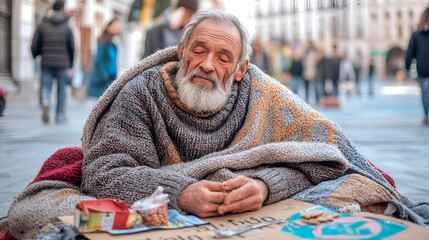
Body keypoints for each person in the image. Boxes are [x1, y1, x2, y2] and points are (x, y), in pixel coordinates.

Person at [8, 10, 429, 239]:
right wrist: (182, 192)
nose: (207, 65)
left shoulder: (267, 96)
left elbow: (326, 154)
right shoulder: (143, 94)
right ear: (181, 51)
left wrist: (265, 185)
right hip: (178, 206)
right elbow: (103, 171)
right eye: (199, 51)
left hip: (244, 213)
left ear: (242, 69)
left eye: (223, 57)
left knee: (360, 194)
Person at [31, 0, 74, 124]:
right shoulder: (67, 26)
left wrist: (36, 54)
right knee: (61, 89)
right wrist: (71, 62)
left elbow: (35, 42)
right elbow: (71, 46)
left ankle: (46, 101)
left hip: (46, 62)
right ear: (62, 9)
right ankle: (59, 114)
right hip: (62, 63)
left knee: (46, 85)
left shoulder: (43, 24)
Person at [405, 6, 429, 125]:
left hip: (423, 68)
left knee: (425, 91)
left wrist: (407, 67)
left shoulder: (417, 34)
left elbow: (410, 53)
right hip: (423, 68)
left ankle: (426, 116)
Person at [87, 19, 121, 98]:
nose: (117, 28)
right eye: (115, 26)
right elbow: (99, 60)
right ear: (109, 27)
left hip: (111, 79)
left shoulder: (114, 43)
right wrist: (105, 76)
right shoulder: (103, 43)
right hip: (103, 81)